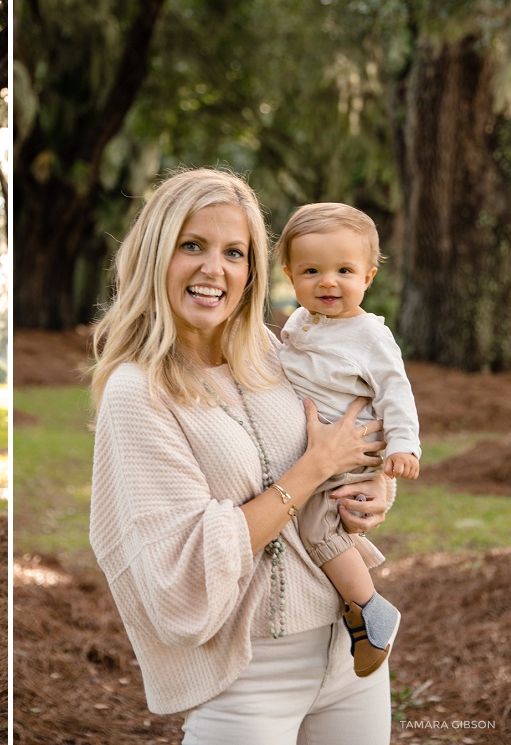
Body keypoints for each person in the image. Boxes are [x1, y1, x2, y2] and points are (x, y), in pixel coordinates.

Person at [89, 168, 396, 744]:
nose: (214, 269)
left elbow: (349, 436)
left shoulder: (281, 355)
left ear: (252, 271)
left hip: (350, 648)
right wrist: (310, 474)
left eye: (235, 252)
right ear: (157, 254)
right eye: (192, 246)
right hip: (249, 671)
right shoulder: (138, 393)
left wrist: (376, 489)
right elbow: (184, 565)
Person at [277, 202, 420, 677]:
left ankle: (371, 611)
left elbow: (395, 392)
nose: (327, 282)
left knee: (316, 525)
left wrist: (403, 446)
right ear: (290, 274)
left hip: (352, 451)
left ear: (369, 277)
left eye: (344, 270)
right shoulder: (297, 323)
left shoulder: (370, 336)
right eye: (311, 270)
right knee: (330, 522)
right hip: (325, 452)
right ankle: (354, 582)